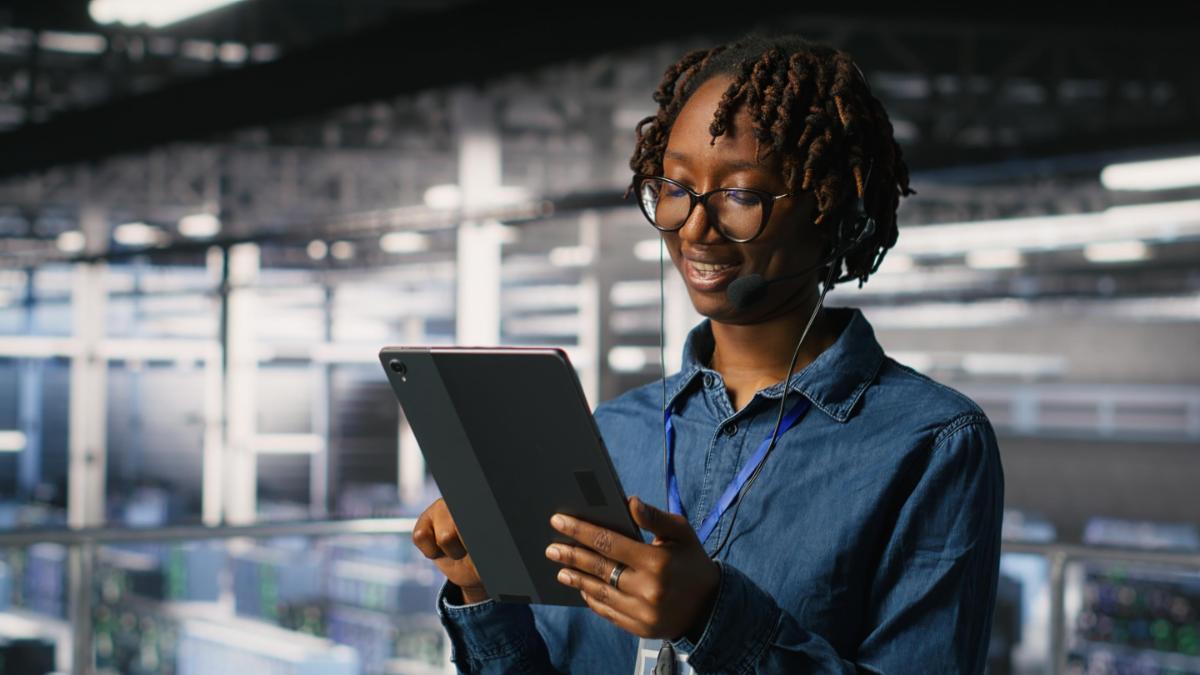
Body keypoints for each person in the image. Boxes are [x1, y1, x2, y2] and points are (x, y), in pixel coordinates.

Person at [411, 33, 1004, 674]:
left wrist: (712, 618)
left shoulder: (931, 444)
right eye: (674, 187)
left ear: (836, 213)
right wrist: (480, 592)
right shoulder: (614, 432)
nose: (693, 227)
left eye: (742, 195)